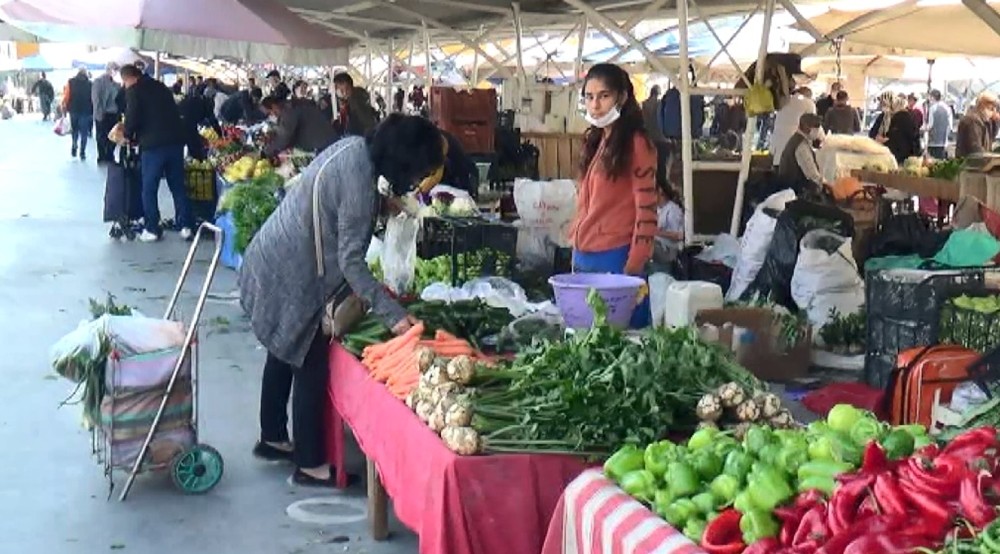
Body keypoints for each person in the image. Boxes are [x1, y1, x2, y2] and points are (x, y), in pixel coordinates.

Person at [241, 114, 446, 486]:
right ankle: (310, 464)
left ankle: (272, 437)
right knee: (309, 360)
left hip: (273, 255)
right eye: (418, 173)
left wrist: (380, 207)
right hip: (295, 273)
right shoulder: (361, 185)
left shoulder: (353, 148)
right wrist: (393, 316)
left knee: (281, 348)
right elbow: (352, 263)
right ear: (403, 161)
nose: (416, 181)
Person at [569, 63, 657, 328]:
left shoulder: (636, 143)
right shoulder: (597, 141)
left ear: (622, 97)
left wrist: (635, 264)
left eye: (604, 96)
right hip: (584, 254)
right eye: (589, 97)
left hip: (617, 257)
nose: (595, 105)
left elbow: (647, 208)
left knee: (622, 339)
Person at [119, 64, 194, 242]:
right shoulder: (160, 86)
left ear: (129, 78)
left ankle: (152, 228)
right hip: (175, 142)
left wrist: (126, 135)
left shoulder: (135, 91)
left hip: (153, 146)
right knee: (178, 185)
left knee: (149, 188)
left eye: (124, 82)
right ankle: (186, 226)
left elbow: (132, 116)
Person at [260, 96, 338, 157]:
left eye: (269, 113)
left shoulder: (289, 111)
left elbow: (284, 137)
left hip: (324, 144)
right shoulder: (289, 107)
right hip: (323, 142)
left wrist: (266, 152)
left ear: (274, 106)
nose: (271, 116)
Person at [770, 87, 817, 167]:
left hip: (777, 146)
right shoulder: (809, 103)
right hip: (795, 147)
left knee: (778, 167)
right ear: (808, 95)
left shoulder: (784, 102)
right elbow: (813, 125)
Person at [778, 113, 826, 190]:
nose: (818, 131)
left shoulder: (796, 140)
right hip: (796, 190)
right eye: (816, 127)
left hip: (789, 186)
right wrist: (826, 185)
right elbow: (812, 175)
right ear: (806, 127)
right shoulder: (801, 146)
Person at [871, 94, 921, 163]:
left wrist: (884, 141)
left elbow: (896, 140)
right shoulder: (885, 116)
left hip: (898, 157)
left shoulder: (899, 117)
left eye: (884, 103)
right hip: (904, 157)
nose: (882, 106)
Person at [92, 62, 122, 164]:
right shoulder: (98, 82)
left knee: (113, 136)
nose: (116, 72)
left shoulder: (117, 84)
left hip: (113, 114)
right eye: (114, 69)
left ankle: (109, 154)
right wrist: (99, 113)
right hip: (103, 113)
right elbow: (96, 99)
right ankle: (102, 155)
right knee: (101, 135)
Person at [178, 90, 221, 161]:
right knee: (194, 145)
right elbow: (212, 121)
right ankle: (199, 160)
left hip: (179, 120)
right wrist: (220, 134)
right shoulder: (203, 106)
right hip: (183, 122)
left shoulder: (198, 102)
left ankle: (196, 159)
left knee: (192, 142)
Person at [333, 72, 378, 137]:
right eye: (341, 90)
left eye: (346, 89)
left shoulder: (356, 102)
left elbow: (365, 122)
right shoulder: (347, 103)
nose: (344, 93)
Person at [956, 92, 999, 157]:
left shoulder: (985, 121)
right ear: (983, 106)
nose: (993, 112)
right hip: (969, 161)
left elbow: (991, 138)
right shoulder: (972, 121)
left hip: (977, 161)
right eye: (991, 109)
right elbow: (975, 148)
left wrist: (996, 121)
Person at [652, 184, 684, 266]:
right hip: (659, 246)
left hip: (670, 250)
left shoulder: (673, 210)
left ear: (659, 192)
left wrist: (657, 232)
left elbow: (679, 236)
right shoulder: (658, 209)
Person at [67, 68, 94, 161]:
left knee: (74, 130)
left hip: (73, 110)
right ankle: (82, 152)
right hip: (86, 111)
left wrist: (65, 107)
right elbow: (93, 98)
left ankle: (74, 144)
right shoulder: (90, 84)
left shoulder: (71, 82)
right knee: (84, 133)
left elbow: (67, 95)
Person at [927, 89, 952, 159]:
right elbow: (950, 126)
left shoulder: (932, 108)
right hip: (944, 141)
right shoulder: (947, 108)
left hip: (934, 142)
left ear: (932, 97)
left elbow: (930, 125)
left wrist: (924, 129)